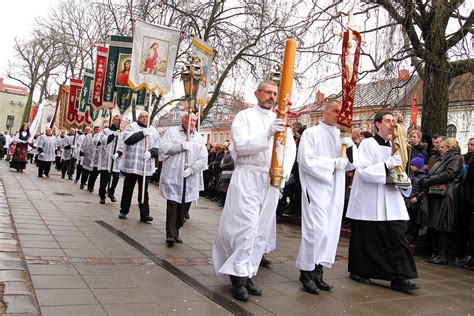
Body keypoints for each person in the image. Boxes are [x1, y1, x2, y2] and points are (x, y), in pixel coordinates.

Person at [212, 80, 296, 301]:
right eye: (267, 92)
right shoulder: (244, 117)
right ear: (257, 94)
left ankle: (247, 272)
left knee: (260, 230)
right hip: (248, 176)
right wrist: (267, 134)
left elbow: (289, 150)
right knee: (245, 228)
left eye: (274, 93)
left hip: (270, 180)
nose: (271, 96)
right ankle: (238, 278)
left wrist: (282, 174)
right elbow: (240, 145)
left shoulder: (281, 120)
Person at [346, 111, 419, 293]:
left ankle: (399, 277)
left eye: (393, 121)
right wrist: (386, 165)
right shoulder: (368, 144)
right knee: (367, 238)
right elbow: (362, 171)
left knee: (397, 236)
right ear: (378, 124)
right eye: (388, 121)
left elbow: (401, 171)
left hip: (391, 198)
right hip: (371, 198)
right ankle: (360, 270)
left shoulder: (397, 146)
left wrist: (404, 182)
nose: (392, 124)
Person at [295, 99, 356, 294]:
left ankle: (318, 272)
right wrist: (332, 163)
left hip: (335, 189)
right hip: (317, 187)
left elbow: (353, 164)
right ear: (325, 112)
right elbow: (305, 160)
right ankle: (306, 271)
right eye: (335, 111)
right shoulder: (311, 134)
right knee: (316, 230)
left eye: (341, 112)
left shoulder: (342, 136)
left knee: (329, 231)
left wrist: (350, 147)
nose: (339, 115)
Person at [159, 112, 208, 245]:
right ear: (183, 119)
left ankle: (177, 228)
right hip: (174, 175)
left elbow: (203, 158)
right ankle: (171, 234)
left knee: (183, 205)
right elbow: (163, 150)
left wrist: (192, 169)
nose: (192, 123)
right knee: (173, 203)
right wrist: (180, 147)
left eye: (194, 121)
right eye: (190, 120)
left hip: (189, 177)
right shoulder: (171, 132)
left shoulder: (198, 137)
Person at [418, 138, 463, 264]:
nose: (440, 149)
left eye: (442, 147)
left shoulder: (455, 158)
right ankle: (436, 253)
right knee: (435, 225)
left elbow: (450, 174)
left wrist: (430, 180)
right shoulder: (442, 158)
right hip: (436, 195)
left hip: (446, 195)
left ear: (448, 148)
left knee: (442, 226)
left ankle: (442, 254)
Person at [118, 111, 160, 223]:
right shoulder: (132, 126)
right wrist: (141, 134)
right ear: (139, 118)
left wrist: (151, 152)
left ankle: (144, 214)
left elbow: (158, 147)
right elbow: (128, 140)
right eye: (142, 117)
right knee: (128, 188)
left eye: (146, 117)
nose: (144, 119)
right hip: (132, 164)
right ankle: (124, 210)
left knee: (144, 190)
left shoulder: (153, 130)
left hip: (145, 165)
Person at [97, 115, 122, 204]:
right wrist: (112, 135)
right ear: (112, 121)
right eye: (115, 120)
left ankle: (111, 192)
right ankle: (102, 195)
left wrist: (118, 153)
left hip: (115, 159)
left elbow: (123, 146)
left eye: (118, 120)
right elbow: (104, 141)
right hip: (106, 158)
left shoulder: (121, 133)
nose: (116, 121)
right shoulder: (106, 131)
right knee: (104, 179)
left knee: (116, 177)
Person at [405, 154, 427, 244]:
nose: (411, 166)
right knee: (409, 219)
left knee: (414, 220)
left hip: (416, 202)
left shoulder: (423, 177)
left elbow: (424, 190)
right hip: (409, 201)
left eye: (413, 165)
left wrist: (417, 198)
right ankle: (407, 234)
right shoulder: (412, 175)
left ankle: (412, 236)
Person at [80, 126, 100, 192]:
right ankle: (82, 183)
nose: (97, 131)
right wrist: (82, 154)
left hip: (96, 158)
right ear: (93, 130)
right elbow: (83, 145)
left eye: (98, 130)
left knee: (94, 173)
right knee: (85, 172)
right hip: (87, 156)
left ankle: (91, 186)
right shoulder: (88, 136)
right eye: (96, 129)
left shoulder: (101, 137)